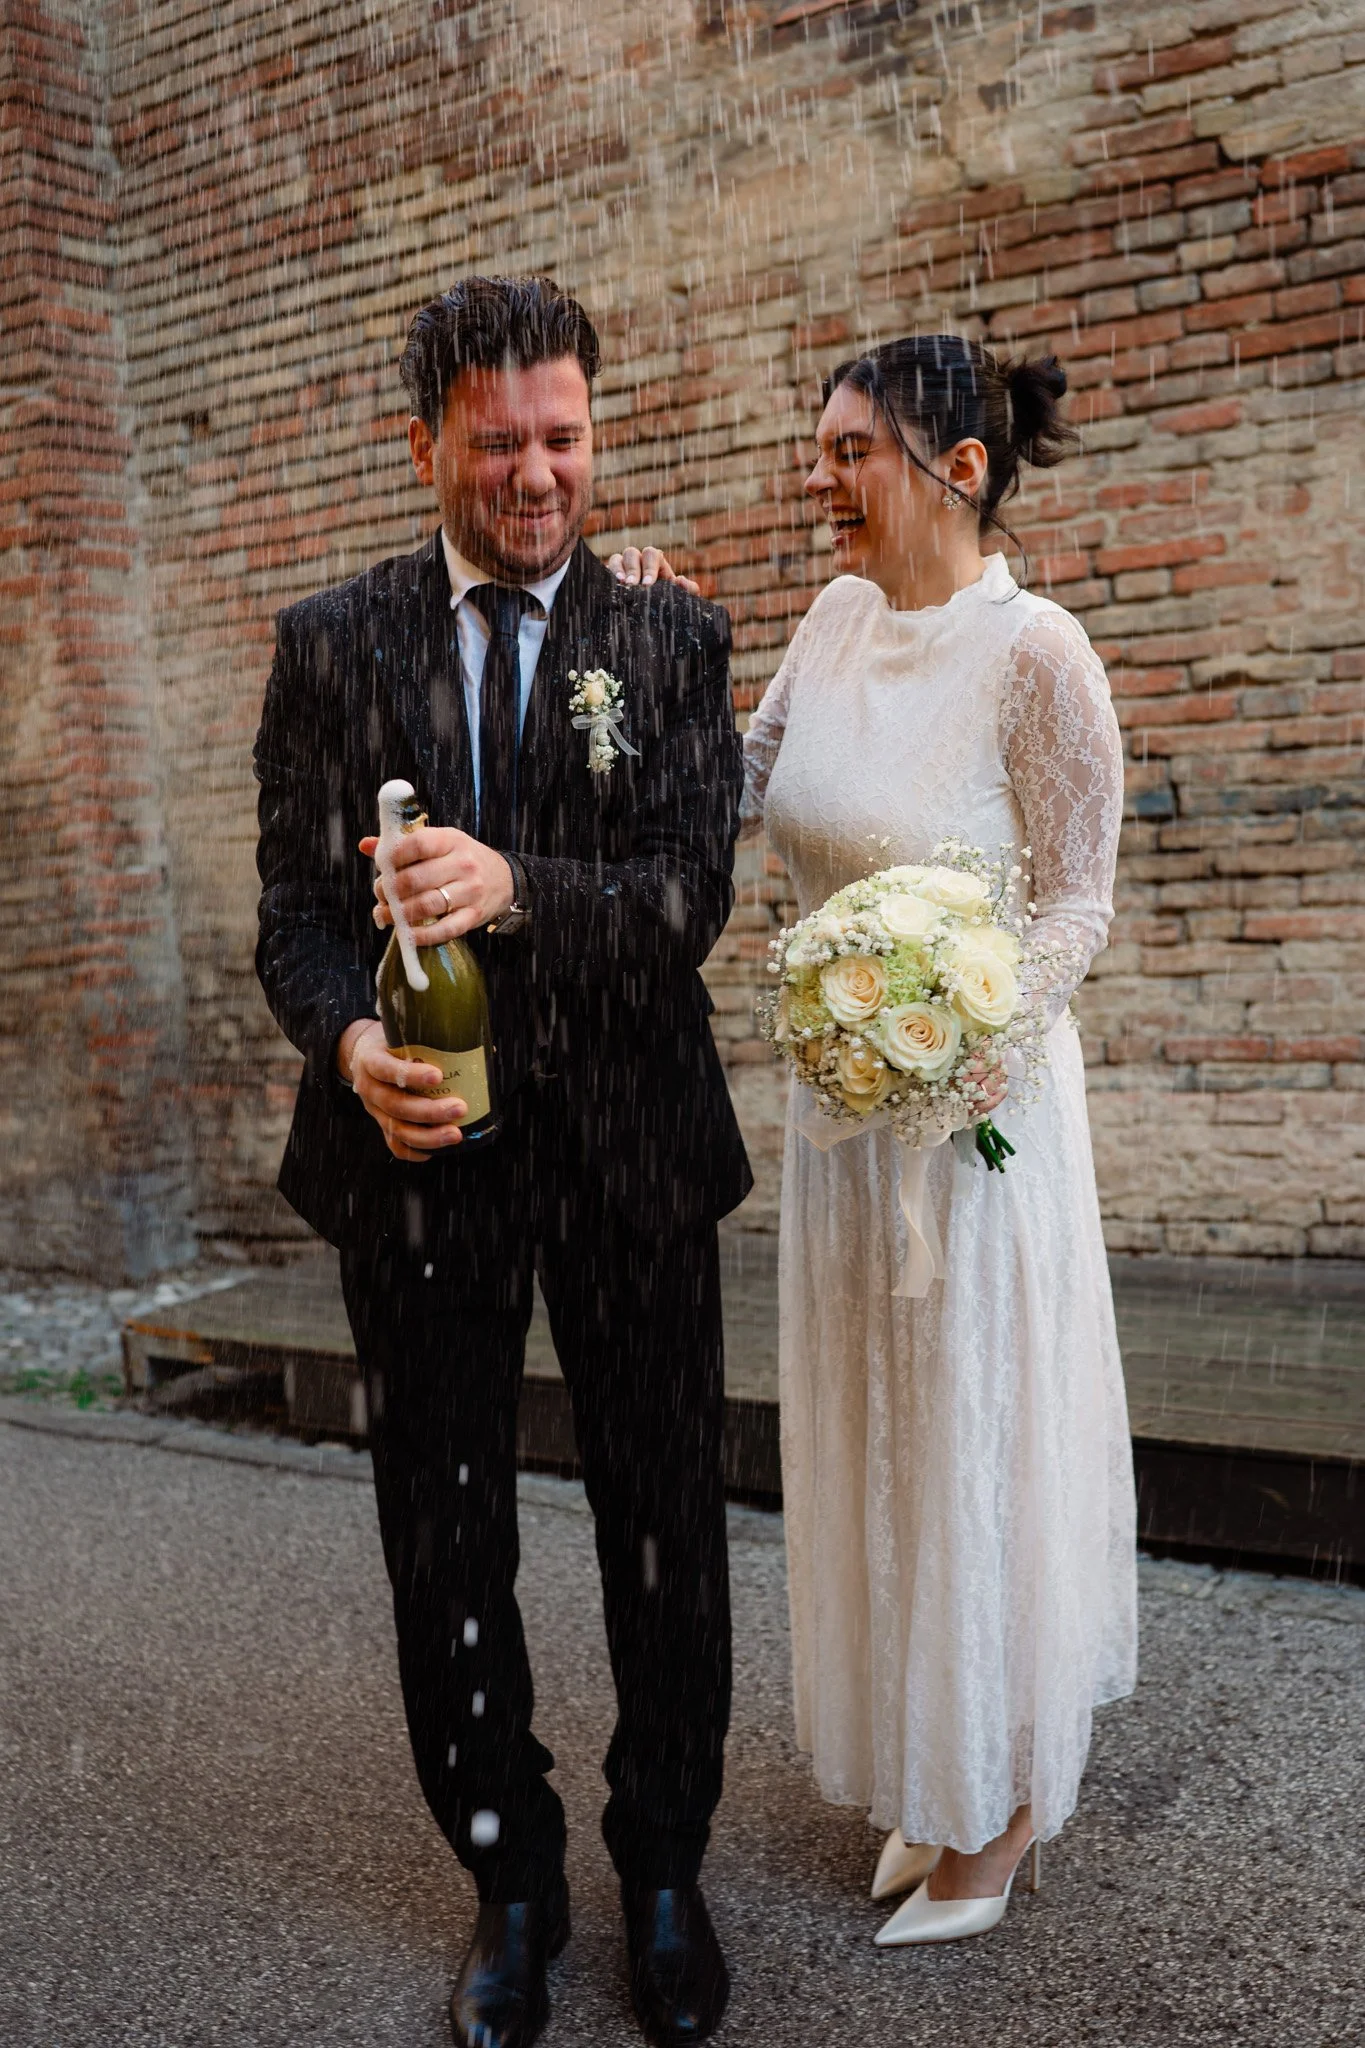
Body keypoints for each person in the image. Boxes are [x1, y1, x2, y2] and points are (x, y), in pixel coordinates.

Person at [254, 275, 750, 2048]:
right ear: (427, 445)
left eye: (563, 437)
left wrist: (522, 886)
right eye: (496, 443)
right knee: (443, 1533)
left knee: (666, 1529)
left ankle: (666, 1863)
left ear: (591, 432)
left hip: (630, 1148)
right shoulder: (330, 642)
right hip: (413, 1160)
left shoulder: (675, 646)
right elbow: (294, 920)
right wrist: (350, 1040)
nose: (536, 475)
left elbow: (692, 895)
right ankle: (509, 1875)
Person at [740, 336, 1138, 1943]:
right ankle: (935, 1767)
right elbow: (731, 786)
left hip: (977, 1126)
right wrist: (626, 643)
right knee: (882, 1444)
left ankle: (1005, 1801)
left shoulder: (1040, 654)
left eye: (850, 452)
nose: (819, 477)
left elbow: (1079, 896)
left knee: (976, 1440)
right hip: (844, 1124)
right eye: (819, 447)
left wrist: (972, 1043)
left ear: (955, 470)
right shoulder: (830, 625)